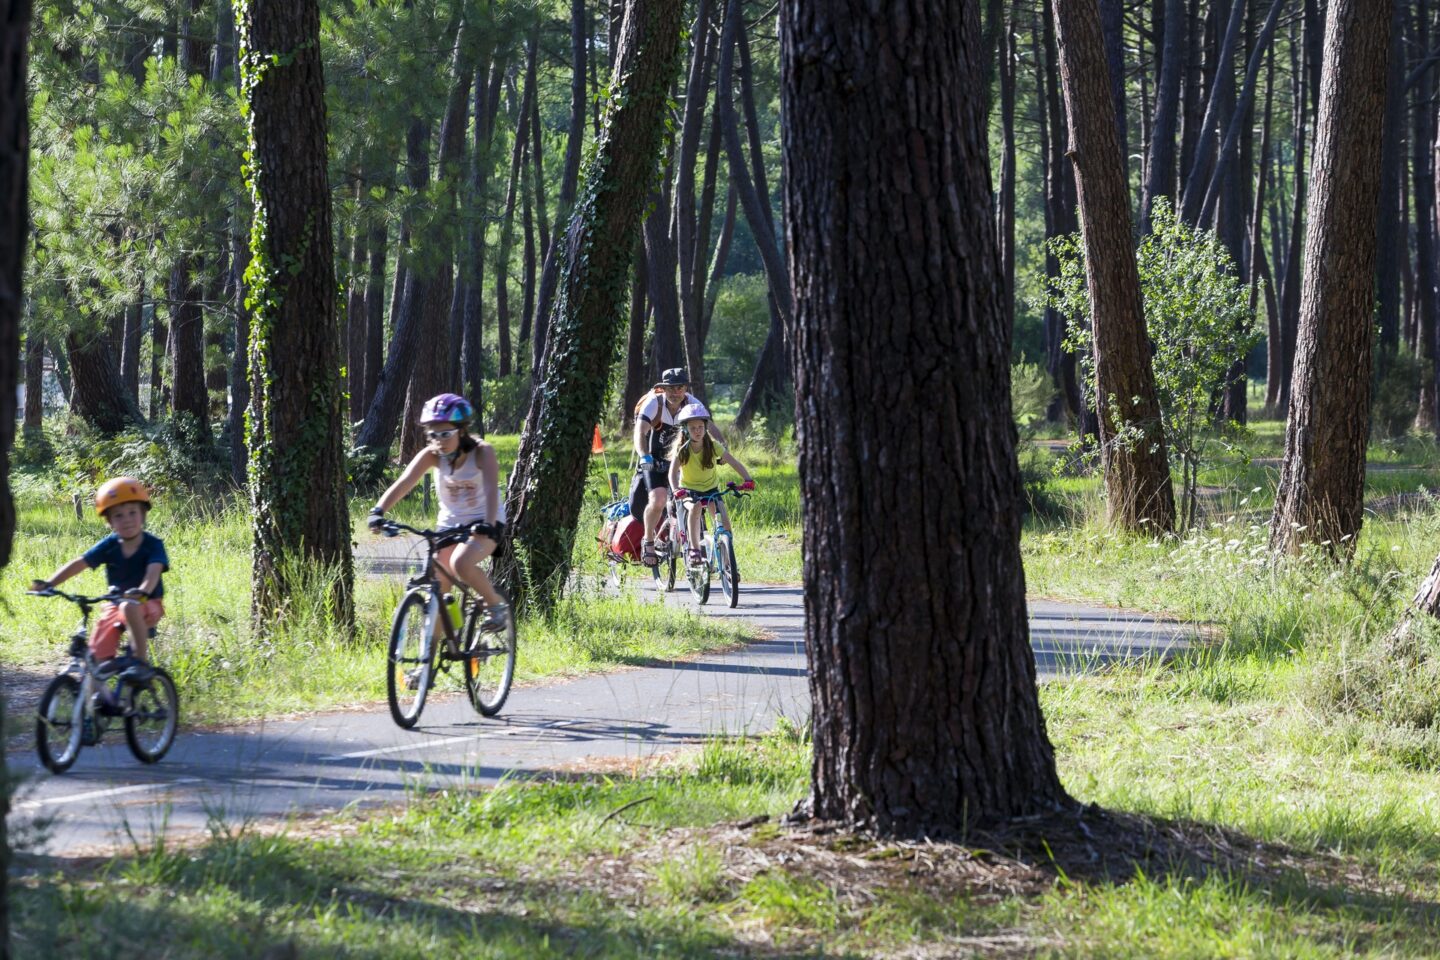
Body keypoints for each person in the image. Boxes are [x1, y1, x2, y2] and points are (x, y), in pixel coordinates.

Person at [367, 393, 508, 632]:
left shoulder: (483, 452)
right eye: (433, 434)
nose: (439, 441)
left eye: (445, 434)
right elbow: (404, 483)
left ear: (461, 431)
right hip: (449, 526)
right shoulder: (431, 455)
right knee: (438, 589)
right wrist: (378, 510)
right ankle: (428, 661)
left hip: (485, 522)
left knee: (461, 563)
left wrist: (488, 523)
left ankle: (495, 607)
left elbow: (492, 490)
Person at [32, 477, 168, 681]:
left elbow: (153, 571)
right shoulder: (110, 544)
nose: (127, 519)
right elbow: (80, 563)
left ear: (143, 514)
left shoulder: (153, 544)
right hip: (116, 604)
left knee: (128, 607)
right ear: (109, 521)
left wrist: (143, 591)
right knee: (95, 660)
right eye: (119, 515)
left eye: (133, 512)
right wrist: (50, 583)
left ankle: (140, 662)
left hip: (146, 603)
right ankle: (101, 703)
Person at [633, 368, 722, 566]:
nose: (675, 393)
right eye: (670, 388)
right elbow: (640, 432)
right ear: (663, 389)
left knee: (694, 498)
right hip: (654, 461)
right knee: (658, 500)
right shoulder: (653, 404)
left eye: (679, 388)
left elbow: (711, 427)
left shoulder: (692, 403)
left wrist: (723, 449)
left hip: (682, 460)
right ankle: (648, 541)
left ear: (685, 388)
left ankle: (694, 546)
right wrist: (644, 456)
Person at [667, 403, 755, 566]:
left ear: (706, 427)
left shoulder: (713, 446)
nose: (697, 431)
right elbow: (672, 473)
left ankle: (728, 565)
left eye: (700, 427)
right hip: (689, 491)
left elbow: (733, 462)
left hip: (711, 490)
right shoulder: (682, 449)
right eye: (693, 428)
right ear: (685, 429)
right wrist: (676, 490)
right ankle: (694, 549)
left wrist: (747, 479)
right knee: (695, 508)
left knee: (725, 524)